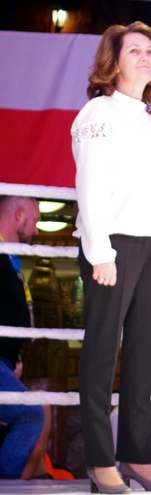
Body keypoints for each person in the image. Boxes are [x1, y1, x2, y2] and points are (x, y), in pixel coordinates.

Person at [71, 21, 151, 493]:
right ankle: (100, 462)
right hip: (114, 244)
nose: (145, 56)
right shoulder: (98, 111)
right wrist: (100, 251)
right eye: (133, 50)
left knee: (143, 354)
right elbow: (91, 185)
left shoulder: (149, 122)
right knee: (102, 353)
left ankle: (136, 456)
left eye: (150, 50)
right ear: (112, 62)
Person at [0, 196, 47, 480]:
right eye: (36, 221)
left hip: (5, 361)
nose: (37, 230)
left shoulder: (8, 256)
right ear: (19, 215)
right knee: (30, 414)